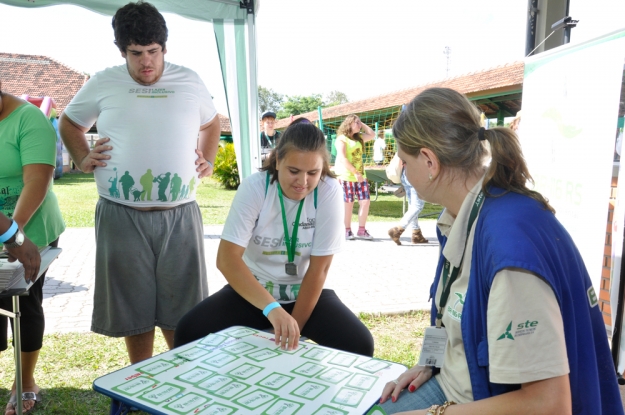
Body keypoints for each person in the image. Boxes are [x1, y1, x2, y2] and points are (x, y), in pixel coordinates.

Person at [379, 87, 622, 415]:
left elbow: (549, 405)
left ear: (429, 161)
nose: (403, 172)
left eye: (404, 162)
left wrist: (433, 413)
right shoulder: (464, 216)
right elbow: (448, 311)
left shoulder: (507, 245)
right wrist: (430, 362)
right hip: (457, 387)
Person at [59, 1, 220, 364]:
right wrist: (83, 157)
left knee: (184, 305)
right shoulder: (102, 81)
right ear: (122, 51)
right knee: (133, 308)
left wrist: (207, 159)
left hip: (180, 214)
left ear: (165, 48)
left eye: (153, 51)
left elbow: (211, 124)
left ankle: (181, 378)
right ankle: (141, 380)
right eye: (136, 53)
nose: (146, 62)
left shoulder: (189, 80)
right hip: (120, 214)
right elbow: (69, 123)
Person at [174, 120, 374, 357]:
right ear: (277, 160)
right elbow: (227, 260)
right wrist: (273, 310)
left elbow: (320, 269)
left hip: (305, 294)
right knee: (189, 330)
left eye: (313, 173)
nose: (303, 182)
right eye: (293, 171)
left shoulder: (329, 189)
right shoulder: (255, 187)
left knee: (359, 344)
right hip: (255, 294)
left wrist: (292, 328)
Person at [0, 83, 65, 415]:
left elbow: (37, 180)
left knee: (22, 301)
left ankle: (24, 381)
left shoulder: (28, 119)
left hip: (33, 230)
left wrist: (15, 233)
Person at [334, 114, 376, 240]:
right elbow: (342, 158)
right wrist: (355, 172)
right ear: (349, 124)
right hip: (347, 176)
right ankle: (347, 230)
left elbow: (372, 134)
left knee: (365, 201)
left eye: (359, 123)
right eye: (356, 123)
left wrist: (361, 124)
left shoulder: (359, 138)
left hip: (360, 177)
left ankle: (362, 231)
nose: (359, 125)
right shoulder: (342, 139)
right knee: (348, 203)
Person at [387, 168, 428, 245]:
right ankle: (398, 230)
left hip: (405, 173)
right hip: (416, 174)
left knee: (413, 205)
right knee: (418, 206)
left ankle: (416, 233)